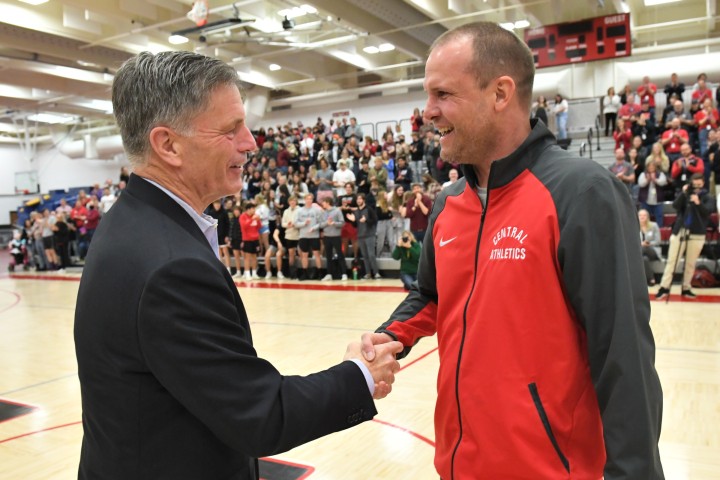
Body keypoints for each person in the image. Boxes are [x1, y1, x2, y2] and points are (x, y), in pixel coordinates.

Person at [74, 51, 403, 480]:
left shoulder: (132, 223)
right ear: (168, 145)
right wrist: (359, 376)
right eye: (230, 130)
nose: (250, 142)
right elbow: (260, 415)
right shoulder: (171, 267)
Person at [359, 22, 664, 479]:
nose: (428, 112)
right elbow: (431, 295)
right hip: (458, 464)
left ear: (500, 93)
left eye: (443, 94)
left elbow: (623, 354)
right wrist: (389, 337)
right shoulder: (448, 202)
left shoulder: (581, 192)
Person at [655, 173, 716, 300]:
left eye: (699, 185)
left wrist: (698, 203)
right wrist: (683, 193)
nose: (697, 187)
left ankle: (686, 287)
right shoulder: (685, 194)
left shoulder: (708, 197)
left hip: (697, 232)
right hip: (680, 230)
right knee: (672, 261)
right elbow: (675, 206)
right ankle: (664, 287)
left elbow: (708, 212)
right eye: (695, 185)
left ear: (703, 183)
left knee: (690, 263)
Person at [638, 209, 662, 286]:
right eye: (640, 215)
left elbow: (658, 241)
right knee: (644, 259)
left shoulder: (654, 225)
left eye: (644, 215)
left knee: (643, 248)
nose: (642, 217)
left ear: (648, 217)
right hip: (641, 251)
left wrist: (648, 244)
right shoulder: (635, 227)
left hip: (653, 250)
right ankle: (651, 278)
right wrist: (641, 243)